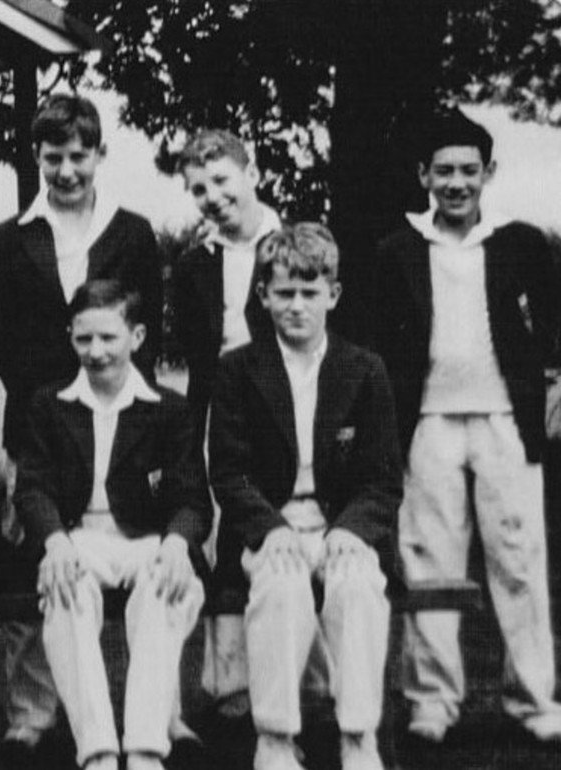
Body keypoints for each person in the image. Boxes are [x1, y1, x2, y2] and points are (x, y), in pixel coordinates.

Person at [370, 110, 561, 743]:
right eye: (444, 171)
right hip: (427, 424)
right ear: (423, 175)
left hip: (508, 420)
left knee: (520, 557)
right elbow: (382, 344)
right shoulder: (397, 249)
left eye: (469, 171)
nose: (457, 183)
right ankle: (432, 699)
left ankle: (533, 699)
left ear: (489, 174)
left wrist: (549, 382)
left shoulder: (522, 242)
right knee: (431, 560)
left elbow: (551, 324)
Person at [0, 93, 163, 756]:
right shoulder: (11, 237)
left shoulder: (132, 232)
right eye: (53, 157)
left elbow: (151, 323)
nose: (65, 170)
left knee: (133, 543)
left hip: (116, 411)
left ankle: (157, 717)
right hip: (38, 418)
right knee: (40, 554)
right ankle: (32, 708)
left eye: (78, 156)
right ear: (37, 157)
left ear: (98, 155)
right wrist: (32, 418)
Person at [209, 223, 400, 770]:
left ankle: (358, 734)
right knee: (281, 586)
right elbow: (228, 470)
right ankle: (274, 735)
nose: (296, 306)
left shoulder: (364, 370)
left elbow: (383, 479)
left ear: (332, 295)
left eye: (309, 293)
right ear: (264, 296)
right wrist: (270, 530)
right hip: (268, 525)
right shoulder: (238, 369)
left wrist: (350, 531)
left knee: (358, 586)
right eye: (284, 293)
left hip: (341, 525)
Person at [14, 279, 210, 770]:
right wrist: (55, 542)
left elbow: (191, 495)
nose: (96, 352)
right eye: (84, 339)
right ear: (70, 337)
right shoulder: (49, 404)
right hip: (79, 537)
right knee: (65, 589)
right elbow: (32, 488)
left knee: (165, 586)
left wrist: (177, 543)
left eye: (109, 338)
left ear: (137, 337)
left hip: (146, 540)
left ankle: (145, 748)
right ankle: (98, 749)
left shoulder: (168, 408)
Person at [170, 128, 283, 717]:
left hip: (280, 408)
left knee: (267, 528)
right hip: (218, 407)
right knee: (218, 536)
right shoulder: (195, 264)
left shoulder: (291, 245)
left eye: (221, 180)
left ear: (252, 172)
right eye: (198, 189)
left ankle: (292, 679)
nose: (212, 196)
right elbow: (196, 347)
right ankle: (228, 680)